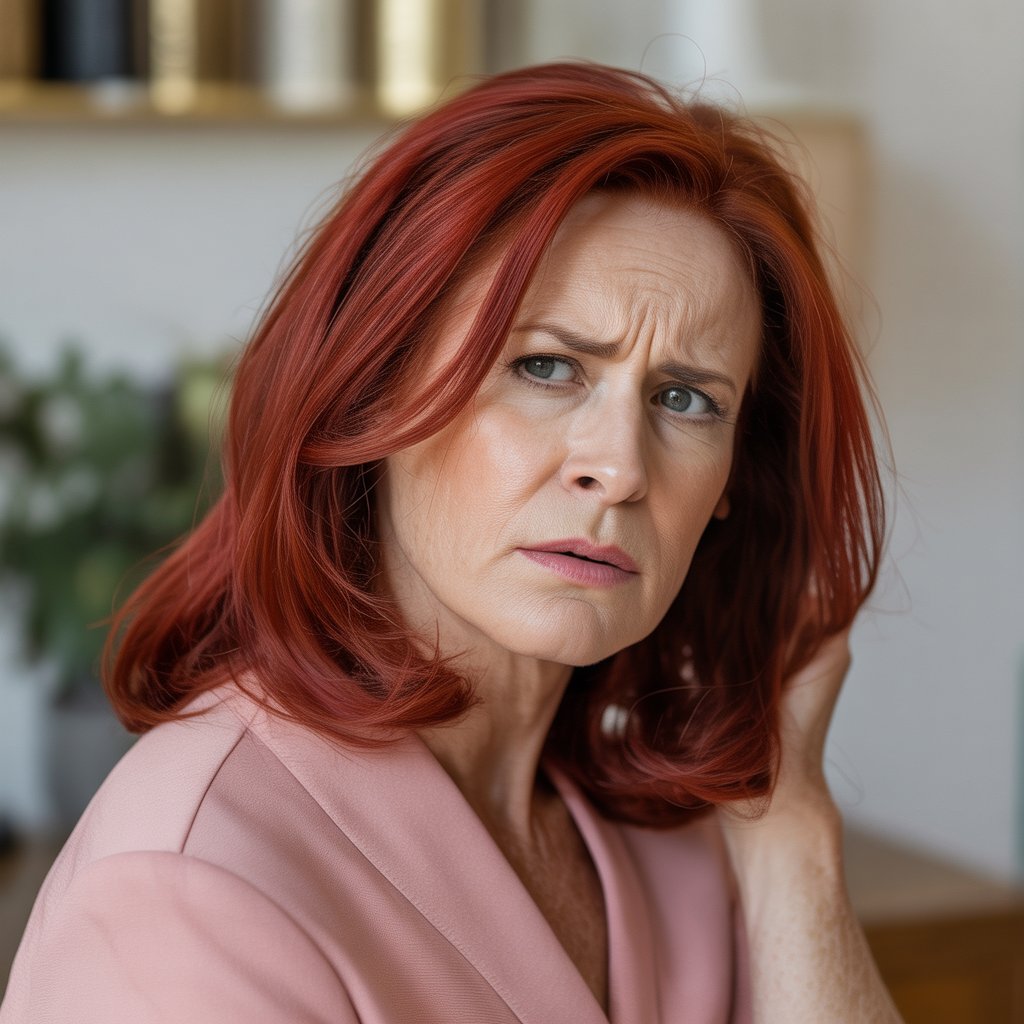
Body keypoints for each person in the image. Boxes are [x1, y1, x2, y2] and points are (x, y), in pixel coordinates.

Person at [1, 62, 902, 1023]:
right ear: (371, 388)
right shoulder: (190, 891)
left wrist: (790, 825)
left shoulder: (681, 847)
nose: (619, 467)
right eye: (546, 367)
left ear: (732, 485)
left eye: (685, 398)